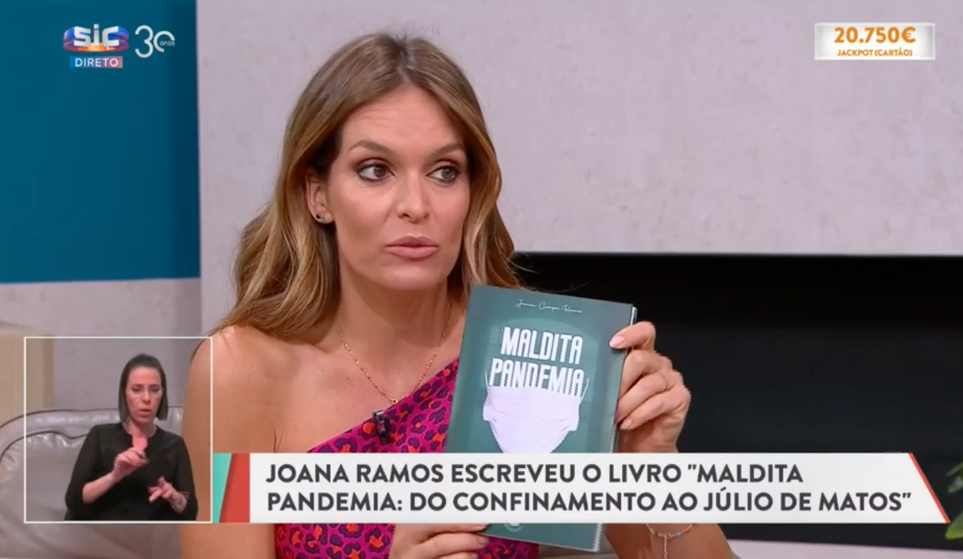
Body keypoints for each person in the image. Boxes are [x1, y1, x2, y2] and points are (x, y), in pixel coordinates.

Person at [180, 32, 735, 559]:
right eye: (375, 170)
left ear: (473, 192)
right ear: (317, 194)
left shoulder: (531, 357)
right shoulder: (239, 372)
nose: (415, 205)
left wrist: (651, 465)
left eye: (445, 172)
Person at [64, 353, 198, 521]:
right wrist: (114, 476)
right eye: (137, 389)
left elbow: (191, 511)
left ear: (162, 395)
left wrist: (175, 498)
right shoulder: (100, 437)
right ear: (124, 394)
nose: (146, 398)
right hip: (103, 534)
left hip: (152, 535)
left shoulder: (174, 445)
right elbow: (73, 499)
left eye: (154, 390)